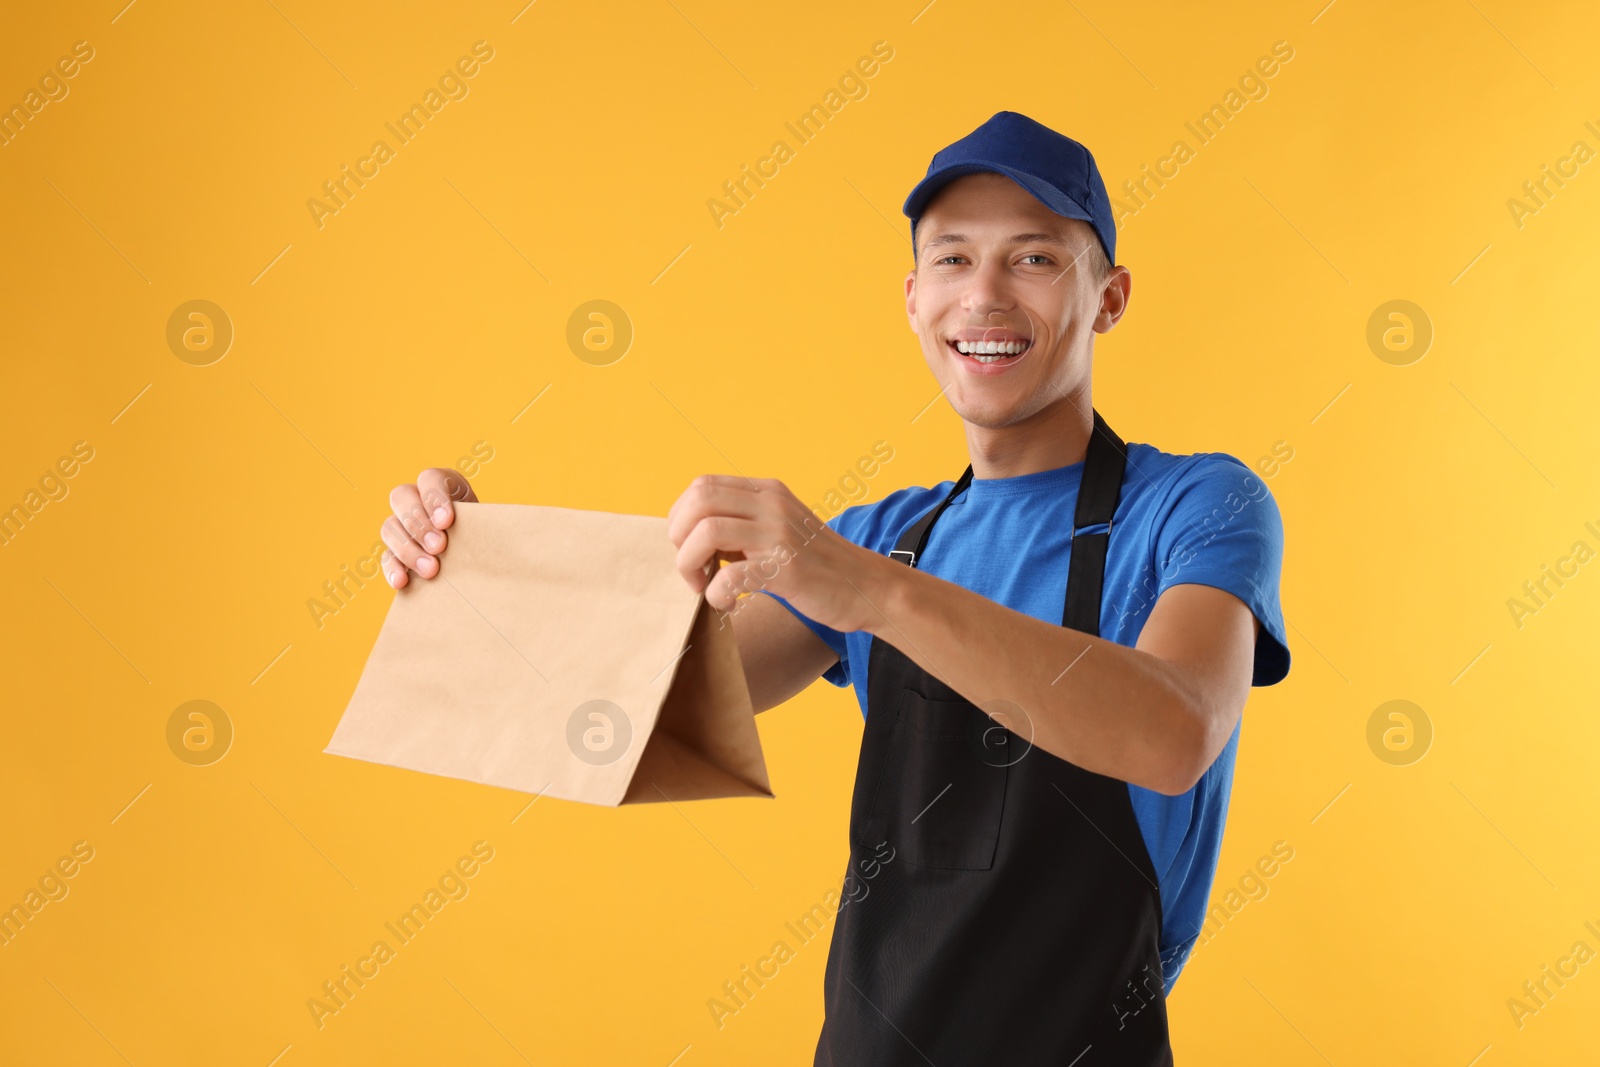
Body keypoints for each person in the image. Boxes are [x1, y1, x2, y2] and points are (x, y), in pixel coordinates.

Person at [377, 110, 1290, 1065]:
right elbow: (621, 722)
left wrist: (878, 595)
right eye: (951, 259)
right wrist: (470, 562)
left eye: (1034, 259)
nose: (983, 296)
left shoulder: (1196, 505)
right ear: (911, 297)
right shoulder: (882, 538)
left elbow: (1175, 729)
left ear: (1110, 296)